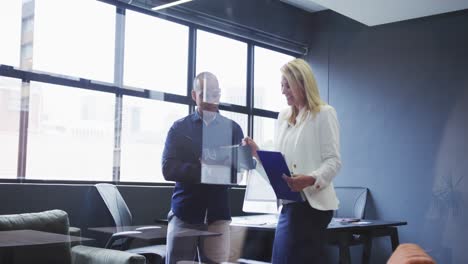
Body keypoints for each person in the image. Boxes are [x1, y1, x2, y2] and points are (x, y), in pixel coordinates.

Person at [243, 58, 341, 264]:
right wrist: (257, 154)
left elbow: (333, 161)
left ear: (302, 83)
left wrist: (310, 179)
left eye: (288, 85)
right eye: (282, 86)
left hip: (313, 206)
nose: (283, 91)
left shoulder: (324, 114)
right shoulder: (283, 117)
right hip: (290, 204)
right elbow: (280, 162)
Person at [162, 72, 244, 264]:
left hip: (218, 217)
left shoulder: (233, 128)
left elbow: (239, 173)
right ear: (194, 95)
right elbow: (168, 168)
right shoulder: (179, 128)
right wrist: (203, 170)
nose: (210, 100)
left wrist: (245, 160)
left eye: (215, 93)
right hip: (184, 214)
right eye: (204, 94)